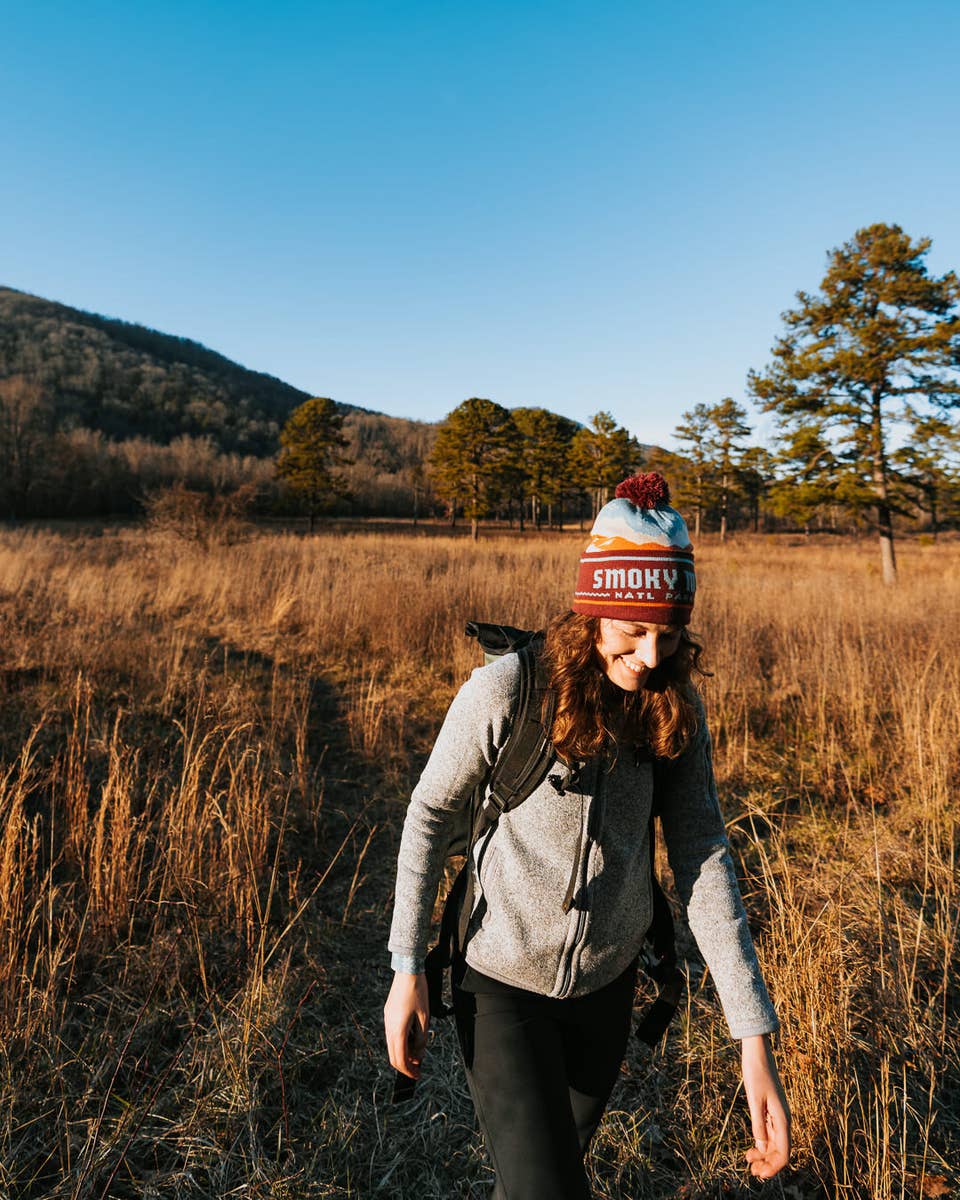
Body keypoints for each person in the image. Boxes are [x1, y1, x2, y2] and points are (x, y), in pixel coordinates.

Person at [384, 472, 791, 1198]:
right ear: (593, 613)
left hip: (607, 990)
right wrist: (407, 966)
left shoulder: (674, 707)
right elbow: (429, 816)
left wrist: (752, 1037)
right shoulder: (508, 692)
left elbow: (702, 856)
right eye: (633, 630)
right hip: (500, 982)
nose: (653, 654)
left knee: (541, 1180)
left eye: (669, 633)